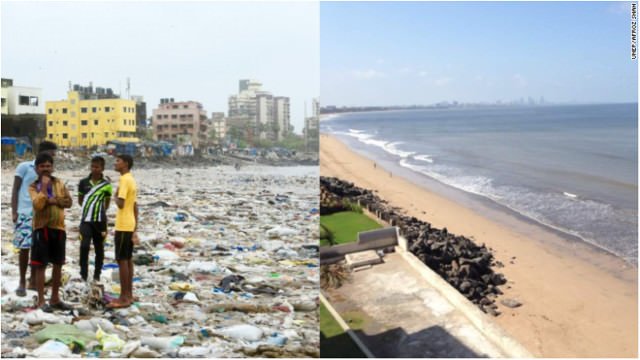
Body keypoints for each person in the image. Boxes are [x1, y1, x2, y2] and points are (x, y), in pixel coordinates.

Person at [11, 141, 58, 297]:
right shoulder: (24, 167)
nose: (53, 158)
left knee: (38, 249)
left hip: (42, 215)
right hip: (24, 213)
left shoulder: (49, 173)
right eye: (52, 154)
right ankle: (22, 282)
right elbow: (15, 188)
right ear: (43, 152)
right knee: (24, 249)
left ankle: (33, 280)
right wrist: (14, 211)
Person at [28, 152, 73, 311]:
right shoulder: (33, 186)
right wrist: (45, 188)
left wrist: (53, 200)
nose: (46, 169)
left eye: (48, 166)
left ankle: (55, 298)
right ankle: (41, 300)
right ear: (36, 169)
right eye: (42, 166)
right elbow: (38, 205)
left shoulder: (59, 183)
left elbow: (68, 202)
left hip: (59, 228)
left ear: (52, 167)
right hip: (42, 229)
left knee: (58, 264)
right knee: (40, 266)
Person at [107, 154, 138, 308]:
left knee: (122, 260)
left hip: (123, 225)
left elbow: (121, 203)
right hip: (130, 224)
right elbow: (135, 206)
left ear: (125, 164)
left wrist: (115, 194)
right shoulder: (131, 179)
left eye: (118, 161)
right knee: (128, 259)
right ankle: (129, 295)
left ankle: (123, 297)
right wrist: (135, 229)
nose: (115, 163)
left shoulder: (124, 180)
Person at [77, 156, 112, 282]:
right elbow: (80, 201)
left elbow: (107, 203)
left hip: (100, 222)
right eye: (92, 166)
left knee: (99, 248)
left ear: (102, 168)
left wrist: (99, 211)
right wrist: (89, 209)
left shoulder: (106, 185)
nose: (94, 169)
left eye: (97, 167)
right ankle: (83, 274)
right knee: (84, 246)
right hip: (86, 220)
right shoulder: (83, 183)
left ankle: (97, 275)